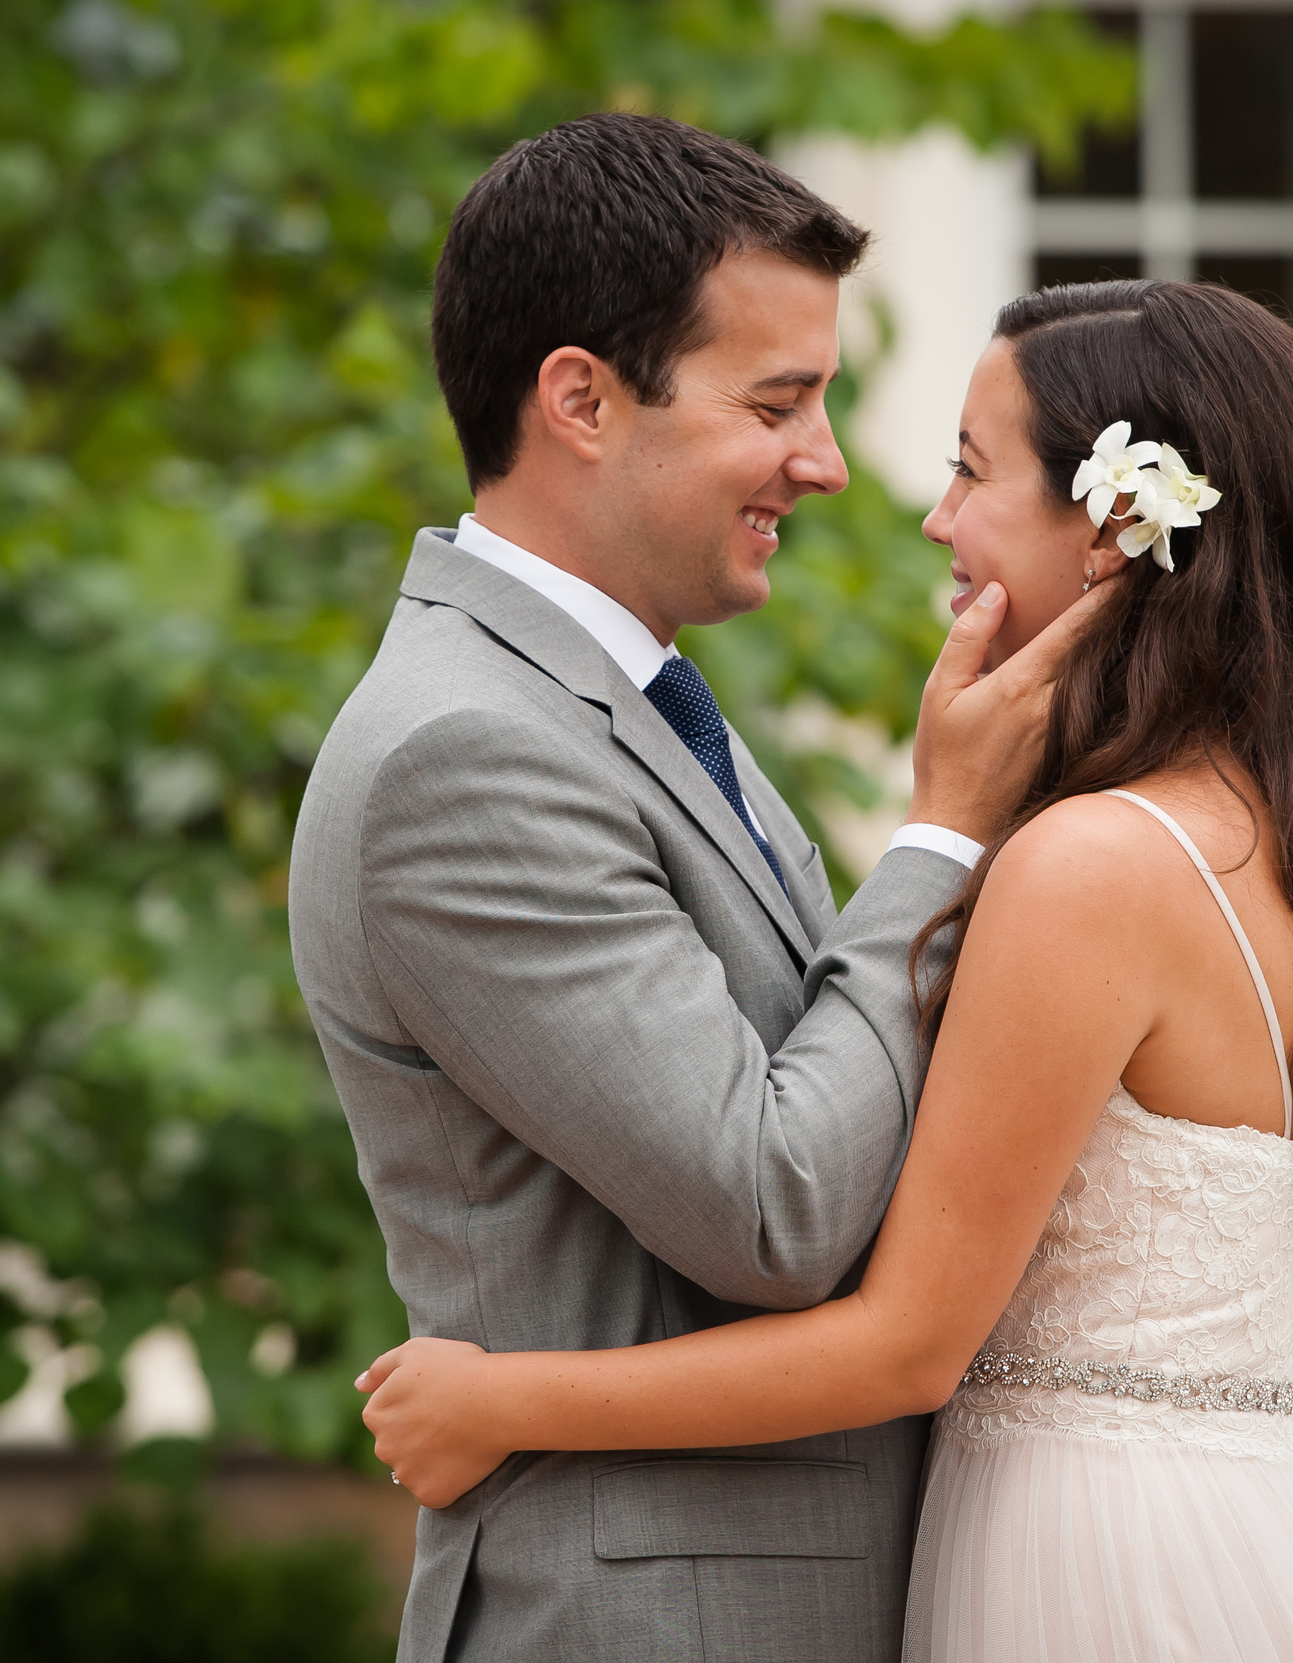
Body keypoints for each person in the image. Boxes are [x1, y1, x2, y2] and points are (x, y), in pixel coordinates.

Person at [356, 278, 1293, 1663]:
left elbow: (903, 1347)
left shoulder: (1090, 864)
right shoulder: (1261, 833)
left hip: (1090, 1565)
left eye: (969, 470)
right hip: (1242, 1520)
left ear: (1118, 526)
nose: (937, 520)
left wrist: (499, 1401)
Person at [289, 114, 1108, 1663]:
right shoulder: (462, 757)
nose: (827, 460)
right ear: (583, 401)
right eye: (779, 402)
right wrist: (942, 836)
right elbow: (774, 1203)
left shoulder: (625, 694)